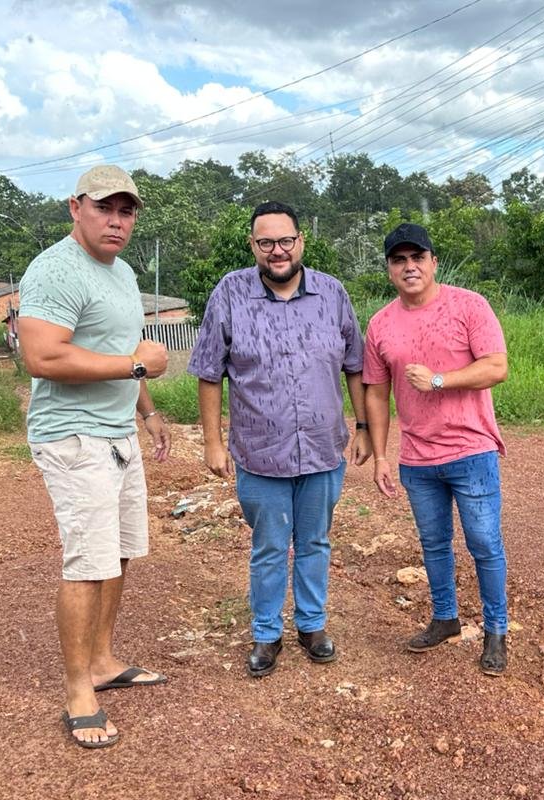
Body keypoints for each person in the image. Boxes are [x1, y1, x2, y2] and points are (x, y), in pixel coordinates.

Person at [19, 164, 171, 749]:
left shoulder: (123, 271)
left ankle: (104, 661)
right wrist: (137, 367)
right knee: (88, 561)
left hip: (116, 431)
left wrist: (147, 409)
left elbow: (121, 347)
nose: (116, 220)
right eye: (105, 207)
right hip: (73, 435)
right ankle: (78, 689)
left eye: (126, 210)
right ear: (74, 207)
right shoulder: (55, 270)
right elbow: (45, 358)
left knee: (121, 553)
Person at [188, 201, 369, 678]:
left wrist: (366, 427)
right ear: (253, 246)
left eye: (285, 240)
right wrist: (212, 441)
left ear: (300, 241)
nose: (277, 251)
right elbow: (209, 373)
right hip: (259, 451)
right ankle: (266, 633)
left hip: (323, 447)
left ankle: (311, 625)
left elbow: (356, 366)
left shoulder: (332, 294)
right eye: (265, 242)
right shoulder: (229, 293)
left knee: (315, 540)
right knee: (269, 547)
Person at [363, 223, 511, 676]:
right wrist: (382, 454)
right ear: (389, 269)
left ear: (433, 262)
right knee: (434, 544)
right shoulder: (381, 324)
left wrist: (440, 380)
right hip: (418, 458)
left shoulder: (469, 306)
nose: (409, 267)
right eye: (398, 260)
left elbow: (497, 367)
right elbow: (375, 390)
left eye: (417, 258)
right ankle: (445, 618)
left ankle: (496, 630)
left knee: (484, 543)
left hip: (472, 451)